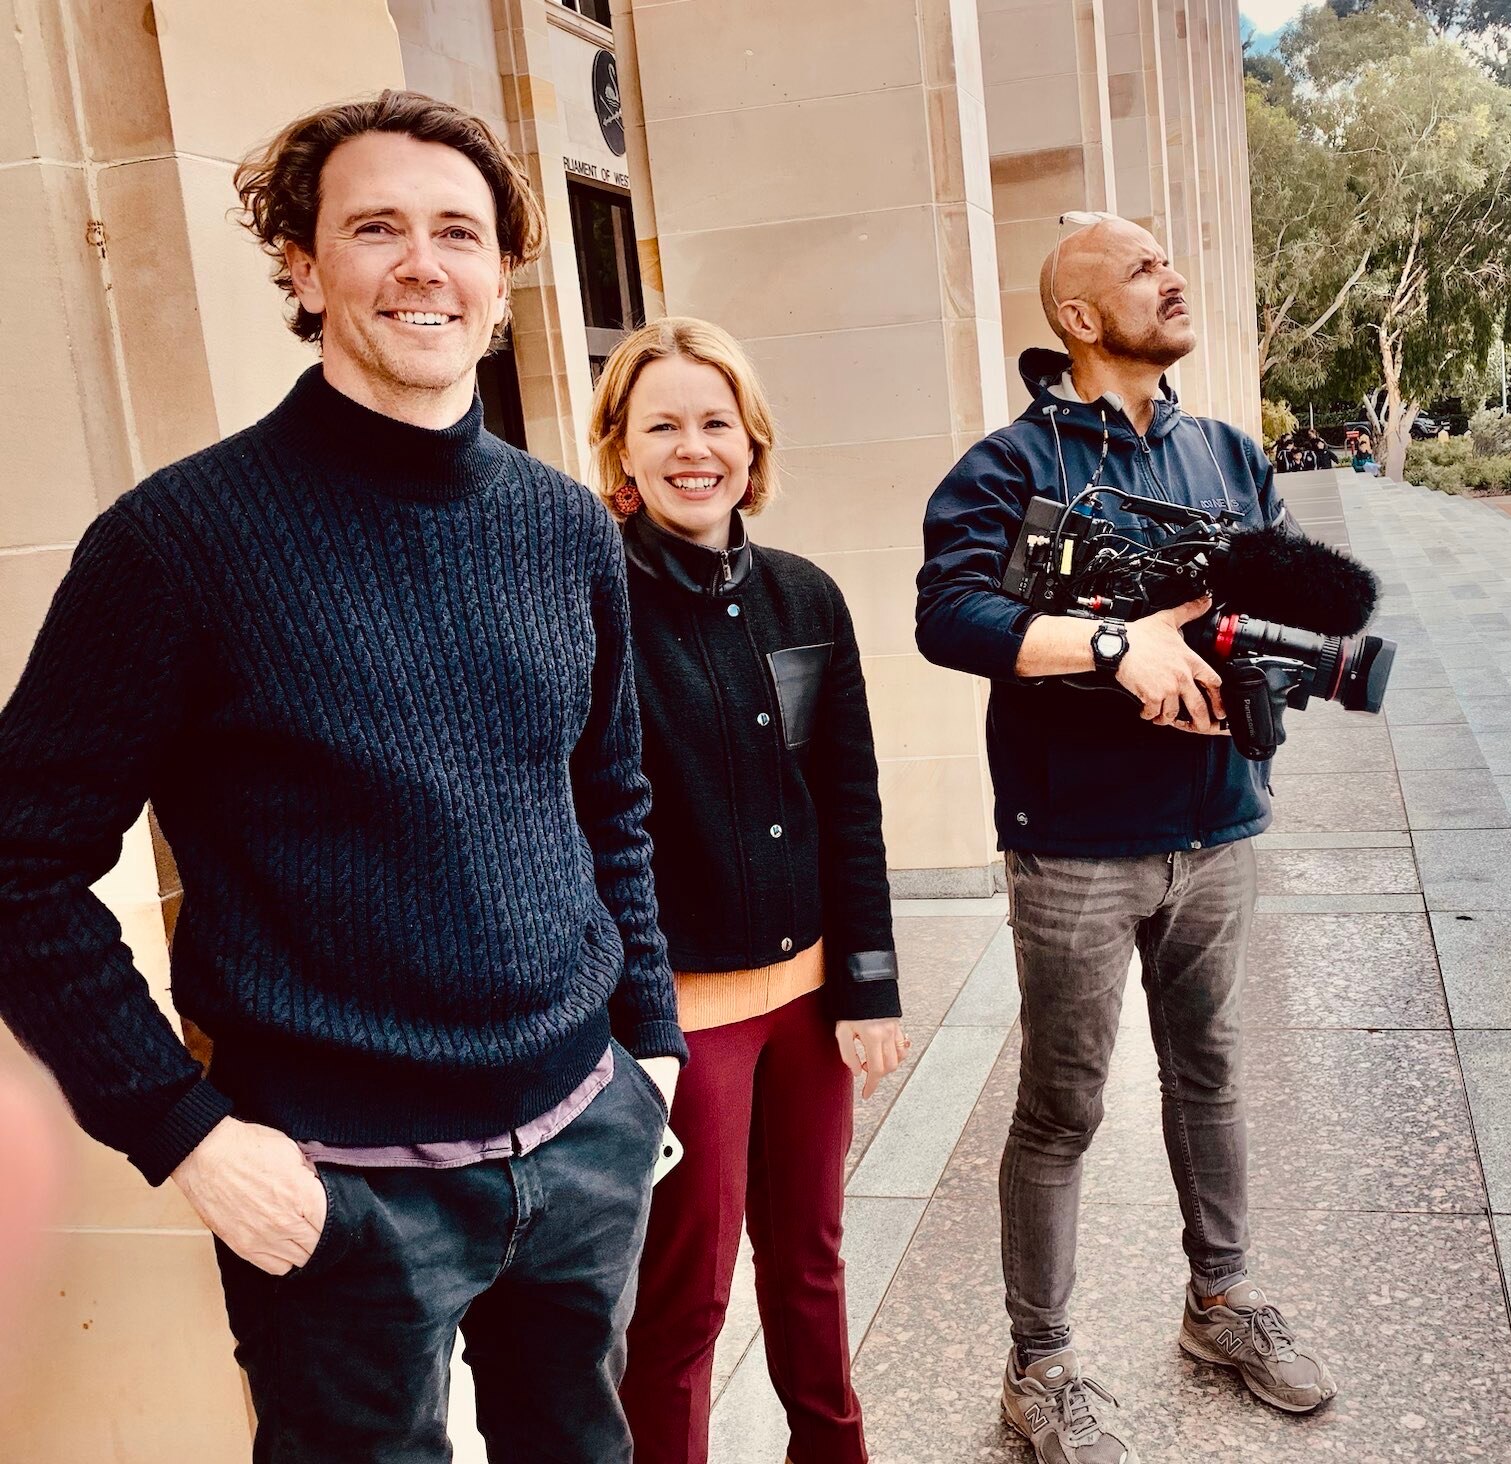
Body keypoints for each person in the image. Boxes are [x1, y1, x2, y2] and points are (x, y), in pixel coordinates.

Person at [0, 91, 685, 1462]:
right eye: (375, 228)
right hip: (336, 1192)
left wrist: (649, 1049)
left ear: (502, 279)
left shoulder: (566, 527)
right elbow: (20, 864)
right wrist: (185, 1134)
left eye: (459, 233)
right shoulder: (177, 546)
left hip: (582, 1141)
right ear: (303, 269)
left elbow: (609, 800)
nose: (423, 264)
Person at [916, 216, 1338, 1463]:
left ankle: (1221, 1303)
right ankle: (1038, 1366)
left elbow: (1280, 605)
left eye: (1169, 259)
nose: (1173, 275)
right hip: (1074, 845)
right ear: (1081, 319)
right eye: (1143, 268)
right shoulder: (1007, 464)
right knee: (1062, 1105)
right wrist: (1112, 644)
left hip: (1216, 828)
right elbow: (949, 614)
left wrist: (1259, 649)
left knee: (1209, 1074)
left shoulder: (1229, 452)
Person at [591, 317, 909, 1464]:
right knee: (687, 1297)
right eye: (662, 426)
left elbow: (849, 800)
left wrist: (868, 985)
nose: (694, 449)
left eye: (715, 422)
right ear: (621, 452)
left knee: (811, 1262)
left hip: (812, 1005)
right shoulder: (595, 605)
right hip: (684, 1020)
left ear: (752, 442)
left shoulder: (805, 596)